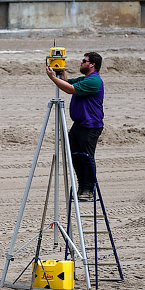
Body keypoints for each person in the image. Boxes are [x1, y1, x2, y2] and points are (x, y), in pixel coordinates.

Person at [45, 52, 104, 201]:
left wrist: (52, 78)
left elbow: (70, 89)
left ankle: (89, 190)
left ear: (92, 65)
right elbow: (67, 81)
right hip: (79, 125)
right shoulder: (85, 79)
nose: (81, 63)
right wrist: (59, 69)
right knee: (75, 157)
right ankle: (81, 187)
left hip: (90, 126)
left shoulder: (94, 81)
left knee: (87, 157)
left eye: (84, 61)